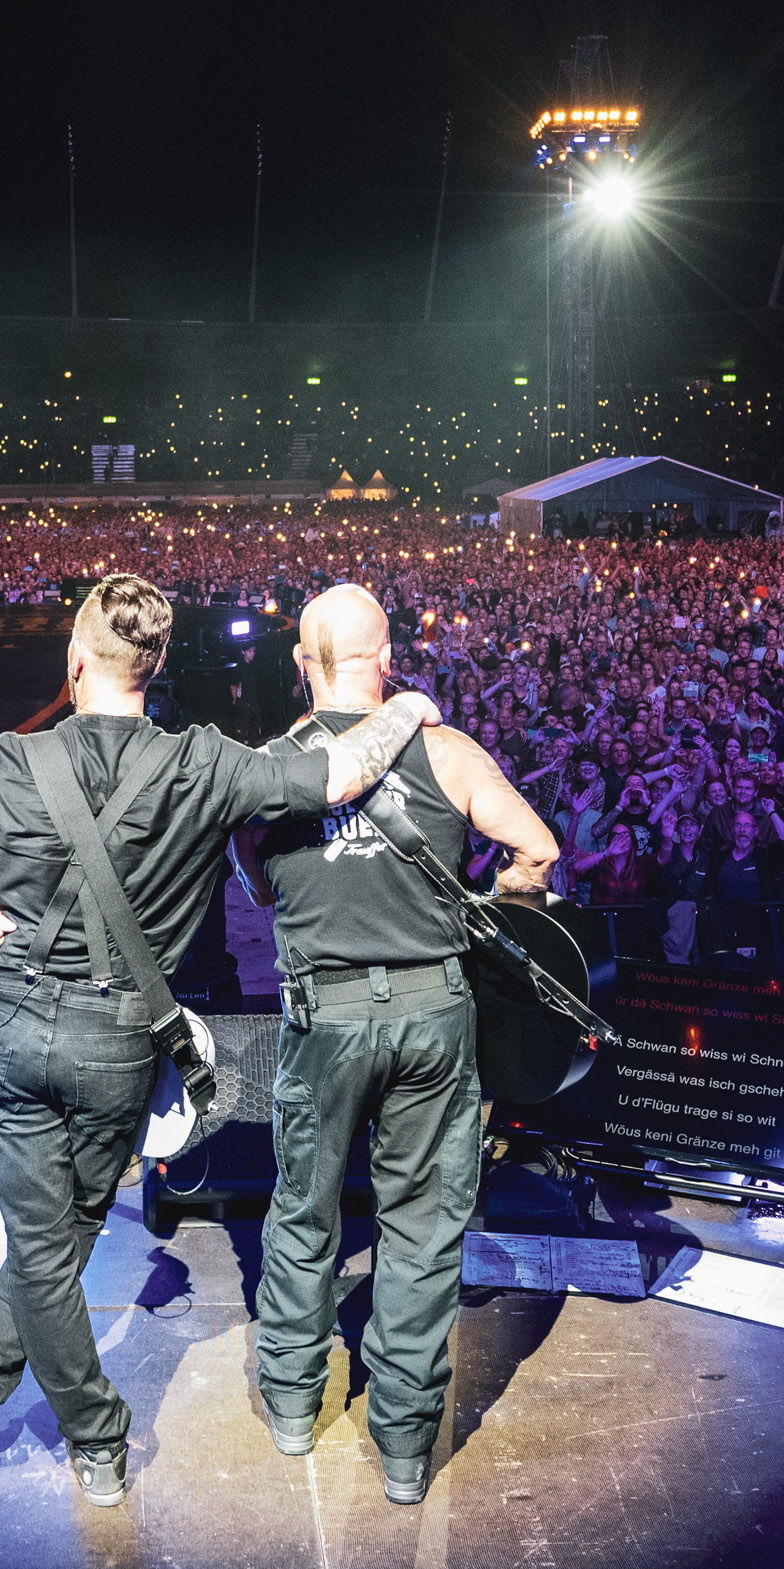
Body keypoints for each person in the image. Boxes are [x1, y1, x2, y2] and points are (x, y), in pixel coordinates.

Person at [0, 571, 440, 1510]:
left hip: (7, 1034)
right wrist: (406, 700)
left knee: (46, 1248)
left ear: (75, 660)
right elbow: (340, 772)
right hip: (114, 1045)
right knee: (59, 1244)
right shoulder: (204, 760)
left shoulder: (5, 761)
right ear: (159, 666)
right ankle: (86, 1430)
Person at [237, 584, 560, 1504]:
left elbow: (253, 872)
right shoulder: (451, 753)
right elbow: (537, 847)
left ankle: (295, 1409)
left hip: (325, 1015)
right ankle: (408, 1449)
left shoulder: (274, 764)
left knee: (304, 1213)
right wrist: (502, 907)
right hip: (432, 1015)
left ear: (304, 664)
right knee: (421, 1227)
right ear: (389, 657)